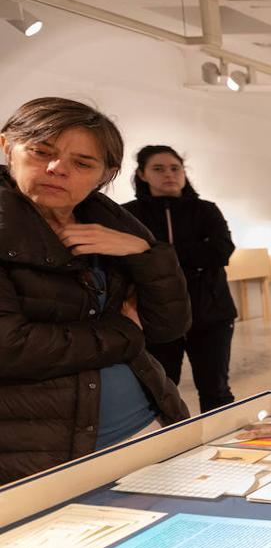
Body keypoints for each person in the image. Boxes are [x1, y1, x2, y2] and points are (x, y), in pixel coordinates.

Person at [0, 97, 190, 482]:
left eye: (82, 163)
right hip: (42, 456)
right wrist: (124, 331)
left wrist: (145, 254)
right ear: (7, 146)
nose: (57, 169)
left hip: (150, 424)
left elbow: (169, 325)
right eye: (40, 152)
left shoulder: (113, 225)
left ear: (106, 174)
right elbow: (11, 348)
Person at [123, 145, 237, 412]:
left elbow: (221, 251)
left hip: (211, 314)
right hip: (155, 317)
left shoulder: (206, 210)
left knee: (216, 390)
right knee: (161, 390)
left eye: (175, 168)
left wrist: (155, 252)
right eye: (158, 169)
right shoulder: (129, 214)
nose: (169, 175)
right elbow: (125, 262)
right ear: (142, 174)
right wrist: (194, 251)